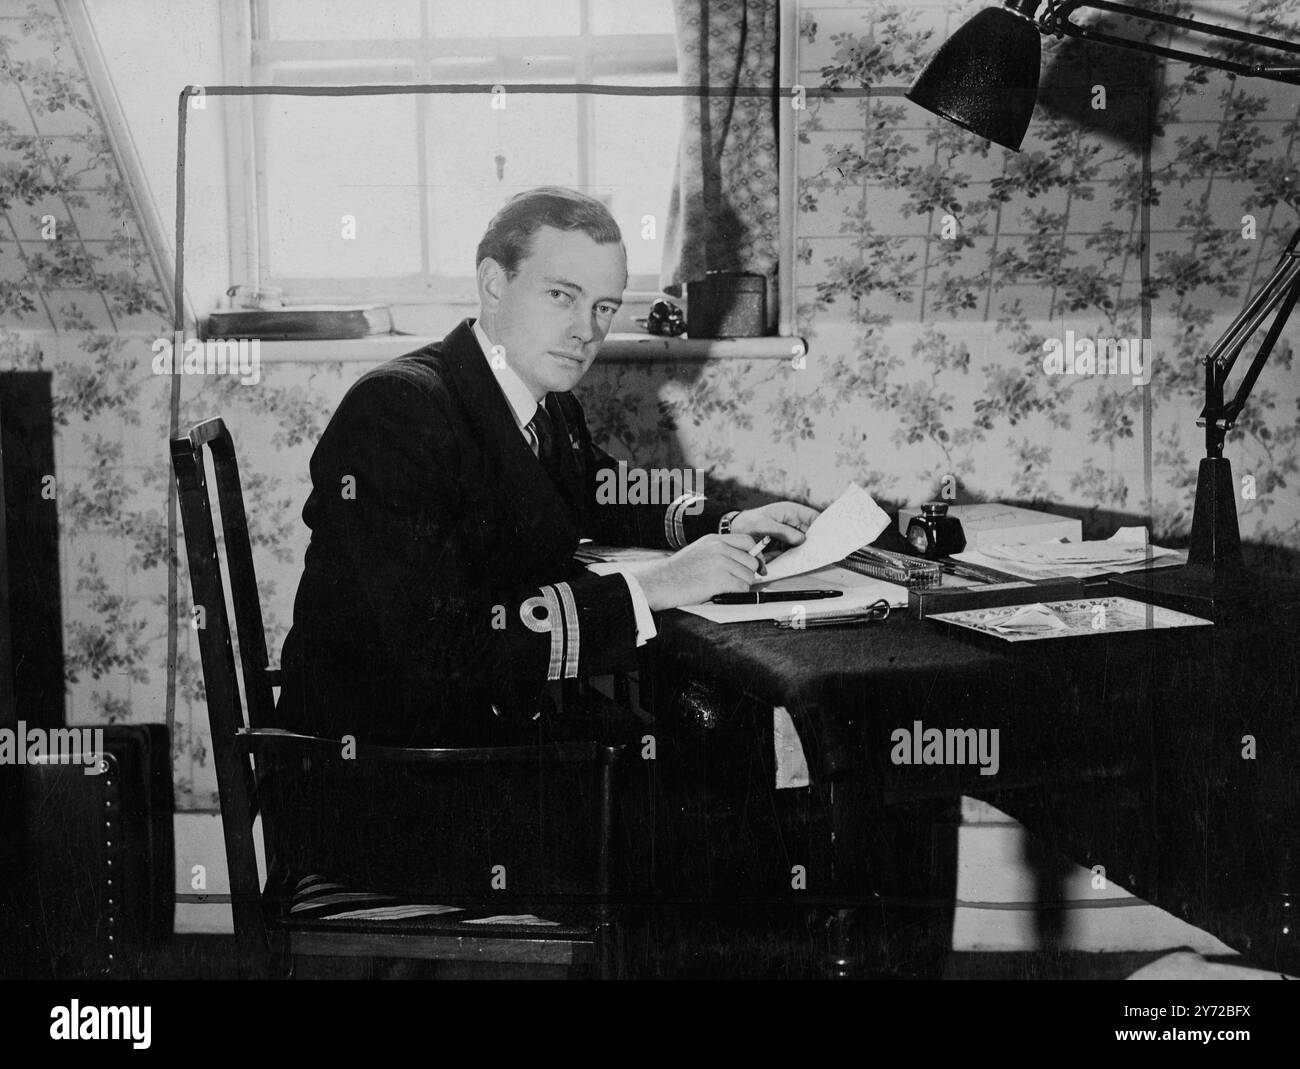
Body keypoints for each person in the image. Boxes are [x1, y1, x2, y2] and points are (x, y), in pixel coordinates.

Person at [276, 186, 818, 750]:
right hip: (389, 767)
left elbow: (607, 492)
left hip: (475, 730)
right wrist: (660, 583)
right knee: (709, 782)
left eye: (603, 307)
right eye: (562, 295)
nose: (587, 330)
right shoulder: (398, 411)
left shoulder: (543, 400)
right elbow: (440, 651)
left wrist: (728, 526)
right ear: (493, 283)